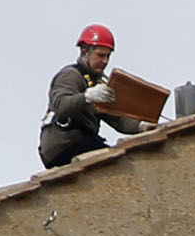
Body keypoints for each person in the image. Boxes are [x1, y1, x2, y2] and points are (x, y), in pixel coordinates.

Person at [38, 24, 156, 168]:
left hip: (82, 142)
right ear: (84, 52)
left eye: (108, 56)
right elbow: (61, 106)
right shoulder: (71, 75)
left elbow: (116, 118)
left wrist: (141, 126)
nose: (105, 61)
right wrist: (87, 96)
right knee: (115, 164)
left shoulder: (98, 83)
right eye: (100, 55)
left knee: (116, 159)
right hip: (64, 143)